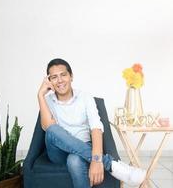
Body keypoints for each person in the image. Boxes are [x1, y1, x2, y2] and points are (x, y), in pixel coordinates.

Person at [37, 58, 146, 188]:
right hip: (57, 152)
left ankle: (109, 164)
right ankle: (111, 164)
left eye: (63, 75)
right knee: (52, 129)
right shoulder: (47, 100)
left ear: (71, 76)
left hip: (83, 145)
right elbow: (46, 127)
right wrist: (40, 95)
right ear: (49, 81)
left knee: (74, 161)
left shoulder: (85, 98)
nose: (59, 80)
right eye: (54, 77)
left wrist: (96, 159)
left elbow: (96, 128)